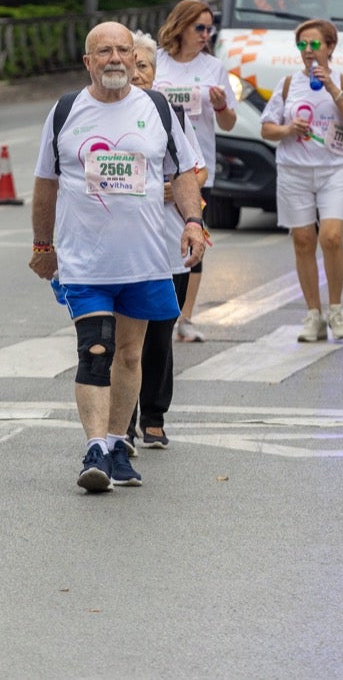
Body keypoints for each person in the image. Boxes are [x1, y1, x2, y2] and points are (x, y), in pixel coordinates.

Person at [29, 22, 207, 493]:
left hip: (146, 259)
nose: (114, 58)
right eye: (103, 51)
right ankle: (94, 447)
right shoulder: (67, 111)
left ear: (135, 58)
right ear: (88, 61)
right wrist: (42, 246)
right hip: (84, 261)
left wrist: (193, 222)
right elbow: (45, 183)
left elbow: (183, 170)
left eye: (122, 51)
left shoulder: (156, 108)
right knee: (95, 350)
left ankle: (116, 445)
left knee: (130, 355)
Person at [126, 30, 207, 448]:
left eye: (145, 66)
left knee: (159, 330)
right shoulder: (102, 112)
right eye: (132, 64)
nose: (137, 73)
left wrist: (169, 191)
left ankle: (154, 414)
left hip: (166, 242)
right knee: (125, 334)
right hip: (122, 244)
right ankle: (123, 419)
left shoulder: (166, 111)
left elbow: (195, 170)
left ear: (156, 74)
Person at [260, 18, 343, 343]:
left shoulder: (342, 79)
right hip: (294, 170)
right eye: (303, 45)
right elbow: (267, 128)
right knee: (303, 240)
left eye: (315, 44)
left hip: (335, 168)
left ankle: (336, 308)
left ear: (330, 47)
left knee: (331, 236)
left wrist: (330, 85)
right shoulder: (288, 84)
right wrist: (288, 130)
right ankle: (313, 313)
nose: (308, 51)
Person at [153, 0, 236, 341]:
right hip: (157, 165)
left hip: (198, 166)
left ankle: (185, 318)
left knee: (193, 236)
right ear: (181, 26)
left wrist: (219, 106)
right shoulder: (157, 62)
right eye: (198, 27)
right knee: (156, 237)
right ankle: (157, 309)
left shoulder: (214, 67)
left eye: (209, 28)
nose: (205, 34)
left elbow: (229, 122)